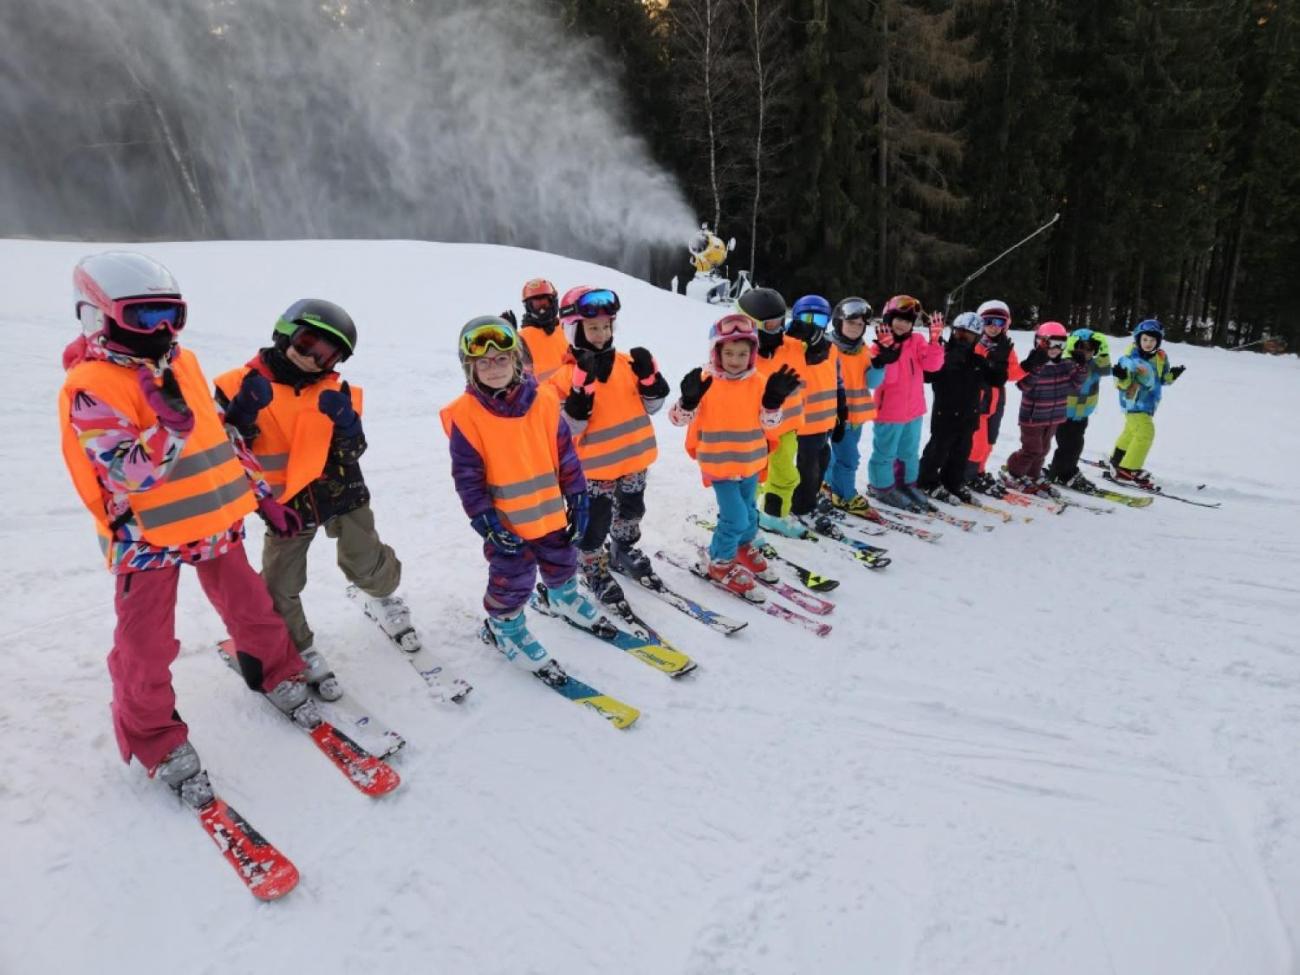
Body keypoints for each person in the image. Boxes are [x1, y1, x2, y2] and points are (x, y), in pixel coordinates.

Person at [58, 252, 312, 810]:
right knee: (147, 645)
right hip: (146, 537)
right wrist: (168, 432)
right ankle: (154, 736)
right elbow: (125, 473)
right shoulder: (90, 386)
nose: (161, 330)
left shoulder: (184, 362)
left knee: (251, 607)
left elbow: (221, 438)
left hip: (213, 519)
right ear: (98, 315)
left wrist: (261, 494)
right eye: (143, 316)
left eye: (171, 315)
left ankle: (275, 671)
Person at [214, 299, 412, 702]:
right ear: (284, 332)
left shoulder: (337, 390)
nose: (312, 359)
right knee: (280, 585)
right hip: (285, 506)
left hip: (343, 493)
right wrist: (241, 415)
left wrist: (347, 424)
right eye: (307, 344)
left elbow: (353, 451)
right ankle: (297, 645)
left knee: (368, 566)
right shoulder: (235, 385)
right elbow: (224, 456)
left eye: (327, 355)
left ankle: (383, 594)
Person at [440, 316, 602, 681]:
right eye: (483, 362)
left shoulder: (544, 399)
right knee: (511, 579)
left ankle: (564, 596)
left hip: (550, 513)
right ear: (470, 368)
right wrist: (484, 520)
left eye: (501, 359)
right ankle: (506, 628)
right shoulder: (465, 415)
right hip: (506, 523)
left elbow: (566, 454)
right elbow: (467, 477)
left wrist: (577, 496)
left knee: (563, 558)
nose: (494, 368)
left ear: (516, 360)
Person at [550, 285, 670, 604]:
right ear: (573, 330)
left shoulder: (627, 362)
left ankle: (622, 549)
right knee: (593, 523)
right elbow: (566, 430)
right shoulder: (562, 378)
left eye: (607, 326)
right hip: (593, 471)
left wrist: (651, 382)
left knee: (632, 511)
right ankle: (591, 565)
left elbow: (652, 407)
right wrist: (580, 396)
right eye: (593, 328)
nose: (602, 334)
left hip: (634, 460)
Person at [669, 314, 801, 600]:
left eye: (742, 354)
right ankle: (720, 562)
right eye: (728, 353)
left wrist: (772, 404)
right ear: (716, 352)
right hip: (720, 466)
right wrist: (687, 402)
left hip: (751, 462)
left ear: (752, 354)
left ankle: (742, 547)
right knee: (735, 517)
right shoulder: (706, 383)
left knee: (750, 513)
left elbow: (771, 425)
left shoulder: (759, 382)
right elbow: (677, 420)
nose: (735, 360)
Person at [865, 295, 945, 511]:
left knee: (909, 452)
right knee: (885, 452)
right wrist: (885, 356)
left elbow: (933, 366)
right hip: (889, 412)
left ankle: (905, 484)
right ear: (888, 319)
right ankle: (881, 487)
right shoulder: (878, 348)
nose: (903, 324)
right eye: (899, 319)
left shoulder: (917, 341)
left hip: (914, 410)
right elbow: (877, 381)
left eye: (908, 321)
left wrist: (935, 342)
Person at [737, 287, 807, 538]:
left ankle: (775, 515)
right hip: (755, 432)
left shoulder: (793, 346)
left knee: (786, 475)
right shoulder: (739, 354)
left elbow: (819, 355)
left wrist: (817, 340)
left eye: (781, 322)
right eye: (770, 325)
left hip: (786, 428)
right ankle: (743, 522)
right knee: (751, 479)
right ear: (751, 325)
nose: (778, 330)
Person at [917, 311, 996, 503]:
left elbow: (997, 379)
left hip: (969, 415)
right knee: (938, 449)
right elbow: (928, 376)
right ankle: (926, 480)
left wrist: (998, 360)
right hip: (945, 413)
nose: (962, 338)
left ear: (976, 338)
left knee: (961, 451)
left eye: (968, 335)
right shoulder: (944, 354)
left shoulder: (977, 360)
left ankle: (953, 482)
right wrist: (946, 356)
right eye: (959, 333)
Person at [1001, 321, 1087, 492]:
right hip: (1033, 417)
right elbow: (1023, 386)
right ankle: (1014, 472)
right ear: (1039, 342)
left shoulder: (1066, 365)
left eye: (1060, 344)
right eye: (1050, 343)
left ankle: (1033, 475)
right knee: (1032, 449)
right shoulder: (1032, 364)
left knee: (1043, 450)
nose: (1055, 348)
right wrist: (1037, 366)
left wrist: (1081, 367)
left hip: (1054, 416)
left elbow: (1075, 386)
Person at [783, 295, 841, 531]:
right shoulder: (791, 346)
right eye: (807, 318)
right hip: (802, 423)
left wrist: (842, 410)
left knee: (822, 462)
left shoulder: (831, 348)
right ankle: (801, 506)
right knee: (807, 468)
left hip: (824, 422)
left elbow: (836, 380)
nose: (813, 325)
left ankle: (811, 497)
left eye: (820, 319)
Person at [1108, 319, 1185, 488]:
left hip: (1150, 403)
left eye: (1152, 340)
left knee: (1131, 432)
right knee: (1145, 433)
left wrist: (1172, 375)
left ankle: (1117, 460)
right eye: (1144, 339)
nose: (1148, 343)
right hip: (1134, 402)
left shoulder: (1161, 357)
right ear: (1138, 339)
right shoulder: (1130, 358)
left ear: (1158, 341)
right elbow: (1122, 385)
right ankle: (1128, 469)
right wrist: (1122, 376)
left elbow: (1162, 379)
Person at [823, 297, 884, 512]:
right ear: (838, 322)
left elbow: (872, 383)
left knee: (845, 457)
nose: (855, 328)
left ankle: (837, 488)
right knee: (837, 457)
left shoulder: (863, 350)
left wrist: (879, 364)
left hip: (853, 417)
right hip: (828, 415)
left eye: (860, 324)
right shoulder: (826, 347)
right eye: (851, 322)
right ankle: (841, 493)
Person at [965, 299, 1024, 496]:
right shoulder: (974, 343)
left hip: (997, 400)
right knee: (977, 443)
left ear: (1005, 325)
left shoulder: (1005, 346)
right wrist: (992, 361)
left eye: (999, 322)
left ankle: (979, 471)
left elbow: (1012, 374)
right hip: (977, 399)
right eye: (988, 321)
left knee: (990, 441)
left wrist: (1030, 364)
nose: (993, 327)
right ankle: (968, 474)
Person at [1047, 328, 1112, 492]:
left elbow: (1106, 369)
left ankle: (1062, 472)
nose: (1085, 352)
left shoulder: (1095, 366)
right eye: (1081, 348)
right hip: (1065, 414)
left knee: (1076, 445)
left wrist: (1104, 349)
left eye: (1090, 349)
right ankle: (1062, 473)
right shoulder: (1067, 363)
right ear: (1073, 347)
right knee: (1068, 446)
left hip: (1082, 414)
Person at [502, 278, 569, 385]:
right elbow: (520, 378)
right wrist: (507, 344)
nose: (542, 310)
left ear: (554, 302)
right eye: (536, 305)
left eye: (545, 303)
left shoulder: (568, 326)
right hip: (544, 394)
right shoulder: (521, 338)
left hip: (577, 391)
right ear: (528, 307)